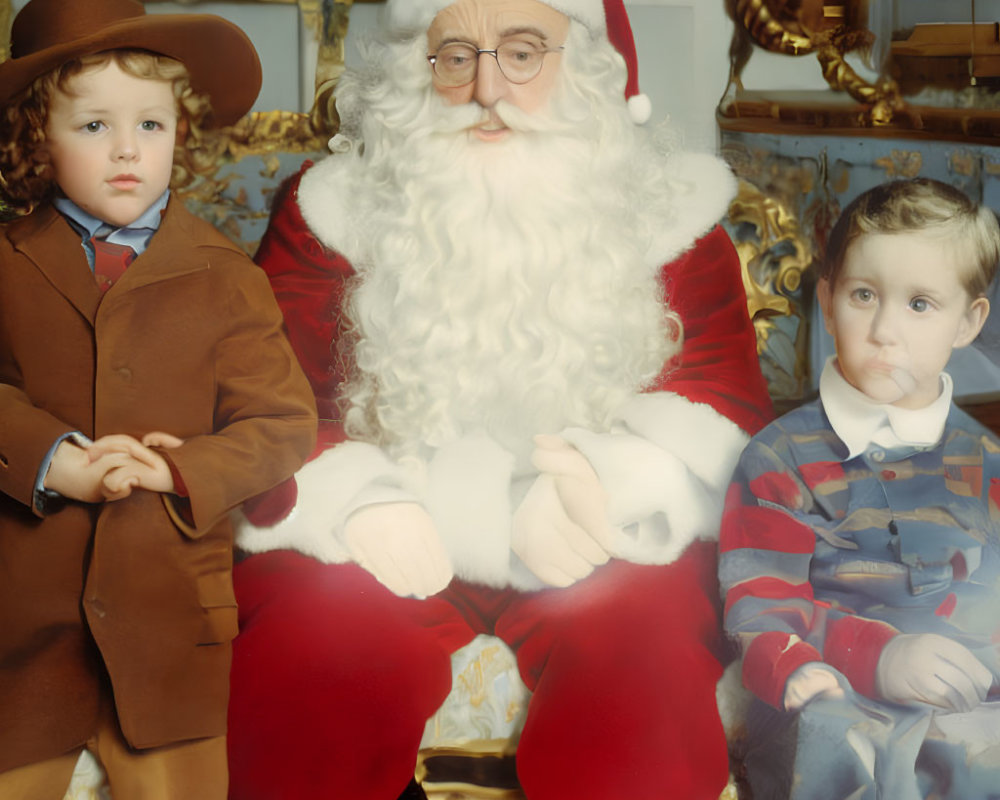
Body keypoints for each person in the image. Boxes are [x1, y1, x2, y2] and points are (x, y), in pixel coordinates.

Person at [230, 0, 773, 797]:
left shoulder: (672, 218)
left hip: (587, 537)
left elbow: (726, 411)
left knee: (642, 680)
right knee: (311, 662)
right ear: (418, 70)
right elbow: (260, 395)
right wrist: (355, 501)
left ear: (586, 69)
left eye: (524, 53)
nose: (487, 87)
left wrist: (607, 488)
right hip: (390, 526)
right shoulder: (331, 214)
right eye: (456, 56)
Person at [0, 0, 317, 797]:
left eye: (151, 125)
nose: (126, 152)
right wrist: (52, 459)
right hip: (20, 638)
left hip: (171, 635)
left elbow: (280, 424)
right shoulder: (3, 262)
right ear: (37, 135)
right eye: (94, 126)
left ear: (183, 131)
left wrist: (182, 471)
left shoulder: (228, 277)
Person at [719, 178, 1000, 800]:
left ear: (967, 321)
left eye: (920, 304)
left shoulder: (987, 463)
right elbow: (760, 613)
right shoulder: (778, 458)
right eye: (864, 295)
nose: (883, 330)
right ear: (827, 299)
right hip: (829, 690)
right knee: (845, 748)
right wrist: (877, 657)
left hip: (965, 698)